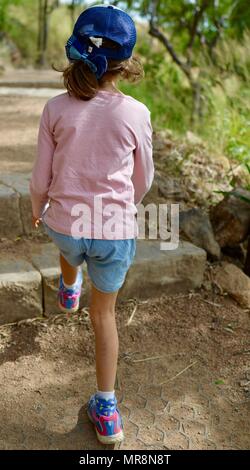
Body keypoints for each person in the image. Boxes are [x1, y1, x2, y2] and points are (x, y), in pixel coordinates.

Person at [30, 4, 154, 445]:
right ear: (125, 63)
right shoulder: (136, 113)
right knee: (103, 315)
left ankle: (67, 288)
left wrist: (36, 207)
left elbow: (40, 177)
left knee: (69, 248)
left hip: (65, 225)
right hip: (113, 231)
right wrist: (125, 207)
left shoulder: (54, 108)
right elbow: (143, 180)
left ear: (74, 52)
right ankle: (106, 409)